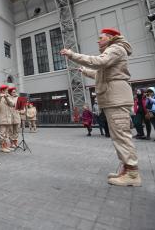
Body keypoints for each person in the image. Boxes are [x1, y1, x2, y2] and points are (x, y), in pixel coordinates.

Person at [60, 27, 141, 186]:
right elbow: (100, 73)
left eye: (101, 37)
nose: (98, 40)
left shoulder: (116, 48)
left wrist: (72, 54)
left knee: (121, 136)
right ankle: (127, 169)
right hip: (113, 98)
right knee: (118, 135)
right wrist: (84, 71)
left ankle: (132, 173)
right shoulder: (114, 50)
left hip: (116, 98)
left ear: (110, 37)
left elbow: (99, 62)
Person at [0, 85, 15, 153]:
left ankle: (6, 146)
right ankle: (2, 147)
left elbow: (12, 104)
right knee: (2, 134)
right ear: (2, 90)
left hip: (8, 118)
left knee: (7, 134)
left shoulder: (8, 97)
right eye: (6, 90)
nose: (7, 91)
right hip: (1, 117)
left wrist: (6, 97)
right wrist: (0, 97)